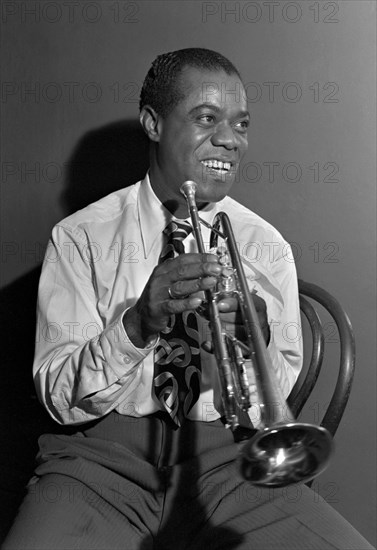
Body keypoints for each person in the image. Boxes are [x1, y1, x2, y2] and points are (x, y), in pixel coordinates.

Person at [3, 48, 374, 550]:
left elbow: (277, 401)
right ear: (153, 123)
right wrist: (136, 326)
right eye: (206, 118)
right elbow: (56, 397)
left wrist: (254, 340)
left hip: (230, 464)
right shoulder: (80, 237)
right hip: (100, 465)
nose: (230, 139)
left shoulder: (266, 245)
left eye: (241, 124)